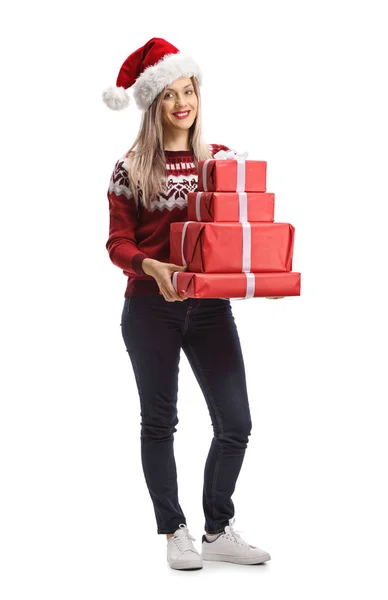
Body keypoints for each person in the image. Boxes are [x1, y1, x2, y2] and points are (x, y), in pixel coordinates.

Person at [103, 37, 272, 570]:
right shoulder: (130, 167)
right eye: (170, 94)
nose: (182, 103)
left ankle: (218, 528)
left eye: (189, 90)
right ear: (153, 104)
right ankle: (175, 530)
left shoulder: (220, 161)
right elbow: (117, 243)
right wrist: (150, 266)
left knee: (236, 423)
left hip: (210, 308)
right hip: (150, 309)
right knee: (160, 422)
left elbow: (240, 229)